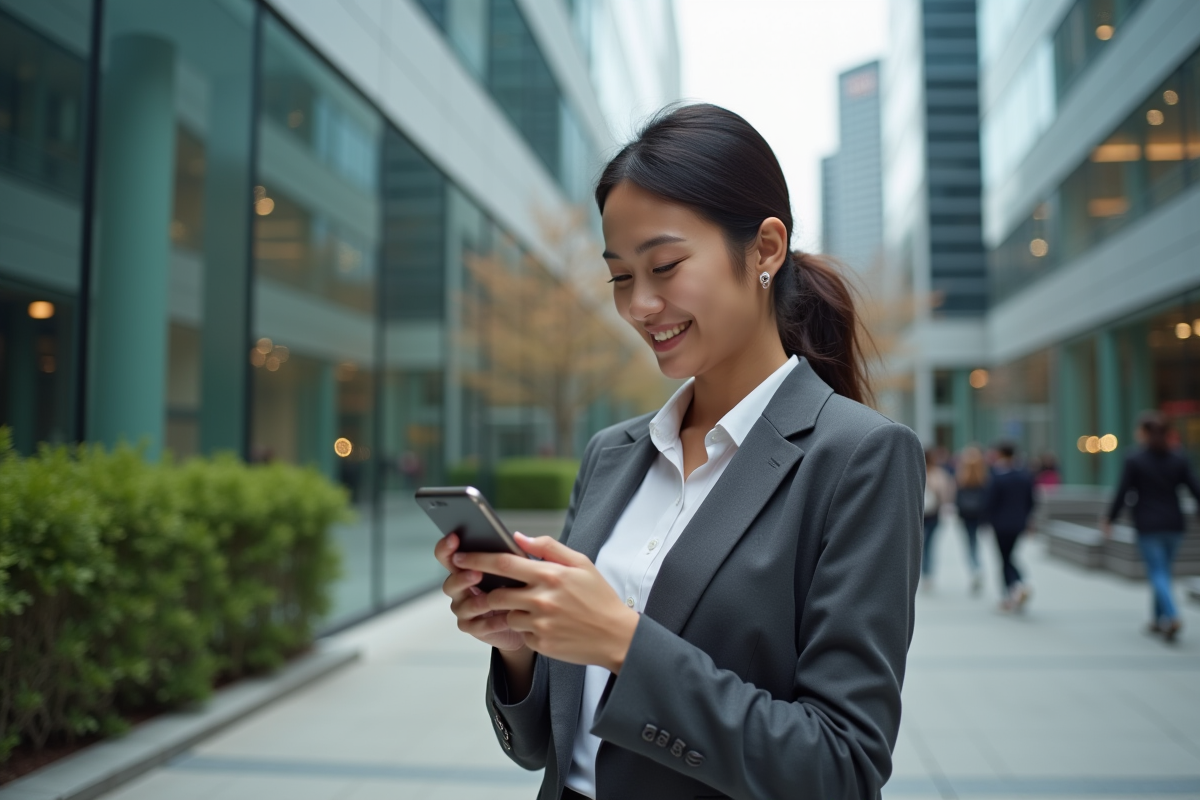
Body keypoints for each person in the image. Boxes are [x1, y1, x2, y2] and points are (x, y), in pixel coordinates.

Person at [433, 104, 925, 800]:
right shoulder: (613, 454)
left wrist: (624, 644)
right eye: (620, 277)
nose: (639, 305)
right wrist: (518, 642)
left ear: (765, 249)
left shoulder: (860, 458)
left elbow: (839, 768)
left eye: (664, 265)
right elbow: (546, 743)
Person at [1102, 411, 1200, 642]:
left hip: (1148, 524)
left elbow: (1122, 492)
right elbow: (1195, 489)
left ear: (1145, 433)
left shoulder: (1135, 459)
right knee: (1162, 571)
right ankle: (1158, 620)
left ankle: (1172, 615)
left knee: (1157, 572)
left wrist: (1110, 519)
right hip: (1174, 524)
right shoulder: (1178, 458)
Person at [985, 441, 1035, 611]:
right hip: (1018, 524)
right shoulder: (1024, 475)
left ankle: (1014, 589)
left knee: (1004, 559)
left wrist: (987, 521)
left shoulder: (998, 476)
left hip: (1000, 525)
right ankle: (1017, 587)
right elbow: (1031, 501)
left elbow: (990, 502)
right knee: (1009, 556)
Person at [955, 445, 988, 594]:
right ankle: (977, 567)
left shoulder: (961, 477)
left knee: (969, 543)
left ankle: (974, 568)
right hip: (978, 514)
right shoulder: (983, 477)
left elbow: (957, 498)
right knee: (975, 542)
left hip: (966, 514)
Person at [921, 448, 955, 590]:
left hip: (920, 515)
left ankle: (925, 573)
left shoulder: (916, 471)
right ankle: (928, 574)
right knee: (930, 545)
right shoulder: (939, 473)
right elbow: (946, 493)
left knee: (921, 545)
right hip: (934, 515)